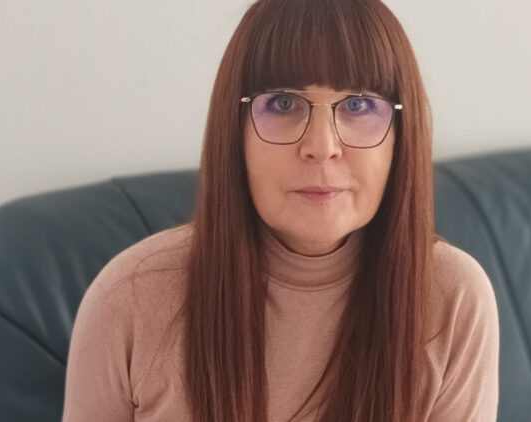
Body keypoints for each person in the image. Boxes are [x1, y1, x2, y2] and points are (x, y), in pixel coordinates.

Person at [61, 0, 500, 421]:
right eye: (284, 104)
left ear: (402, 135)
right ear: (234, 131)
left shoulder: (453, 298)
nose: (322, 147)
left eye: (358, 104)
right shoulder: (130, 300)